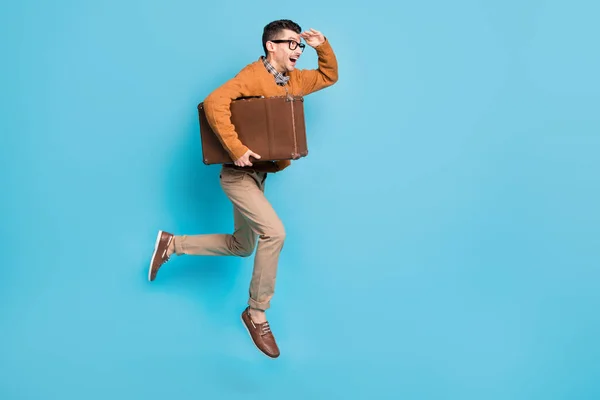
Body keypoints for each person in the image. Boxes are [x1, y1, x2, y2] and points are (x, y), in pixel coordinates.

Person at [147, 19, 338, 358]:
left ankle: (172, 244)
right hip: (237, 175)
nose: (297, 50)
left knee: (241, 245)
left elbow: (327, 76)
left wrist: (322, 45)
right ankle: (256, 313)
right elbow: (213, 103)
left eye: (300, 45)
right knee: (275, 233)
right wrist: (236, 148)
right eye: (291, 43)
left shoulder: (294, 80)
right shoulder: (252, 75)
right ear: (271, 46)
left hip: (259, 177)